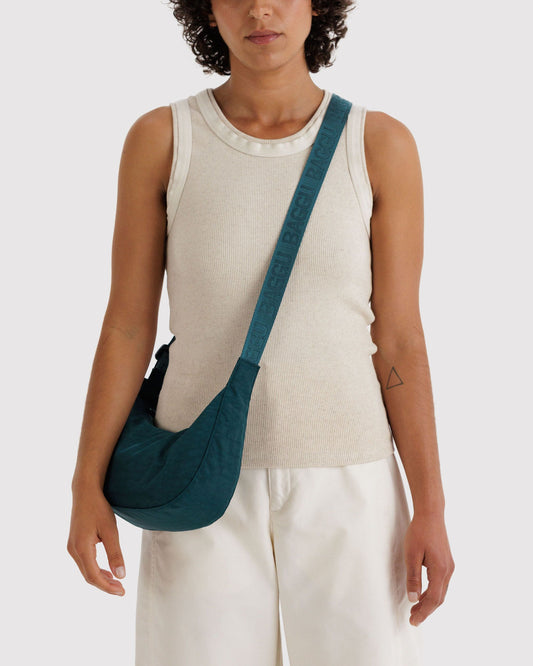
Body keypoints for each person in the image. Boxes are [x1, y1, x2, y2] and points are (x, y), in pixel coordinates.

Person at [67, 1, 455, 664]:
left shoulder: (378, 144)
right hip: (196, 477)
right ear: (206, 9)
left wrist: (430, 507)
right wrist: (86, 485)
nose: (259, 8)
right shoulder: (164, 139)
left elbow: (399, 339)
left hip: (350, 480)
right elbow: (127, 326)